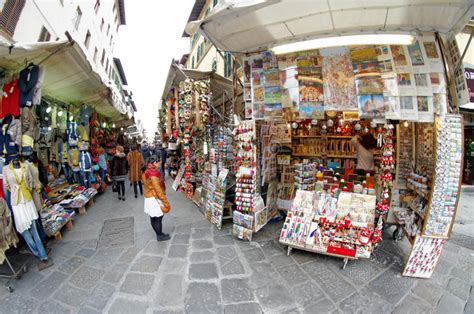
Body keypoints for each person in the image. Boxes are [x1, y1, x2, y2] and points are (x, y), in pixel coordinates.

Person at [143, 156, 170, 241]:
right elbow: (157, 188)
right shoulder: (153, 174)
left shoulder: (147, 170)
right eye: (159, 163)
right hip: (154, 197)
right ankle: (159, 235)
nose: (160, 165)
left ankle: (159, 233)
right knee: (158, 217)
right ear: (155, 162)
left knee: (153, 217)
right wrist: (164, 199)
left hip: (149, 196)